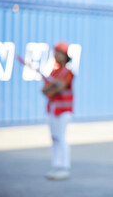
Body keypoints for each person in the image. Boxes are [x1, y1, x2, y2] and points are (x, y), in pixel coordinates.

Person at [42, 41, 74, 180]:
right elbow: (44, 90)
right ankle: (56, 166)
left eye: (59, 53)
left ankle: (64, 167)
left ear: (65, 56)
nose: (56, 55)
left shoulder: (68, 72)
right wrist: (52, 87)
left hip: (64, 110)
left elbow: (60, 87)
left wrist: (52, 87)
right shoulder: (53, 72)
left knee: (61, 138)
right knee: (54, 138)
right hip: (52, 110)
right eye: (55, 52)